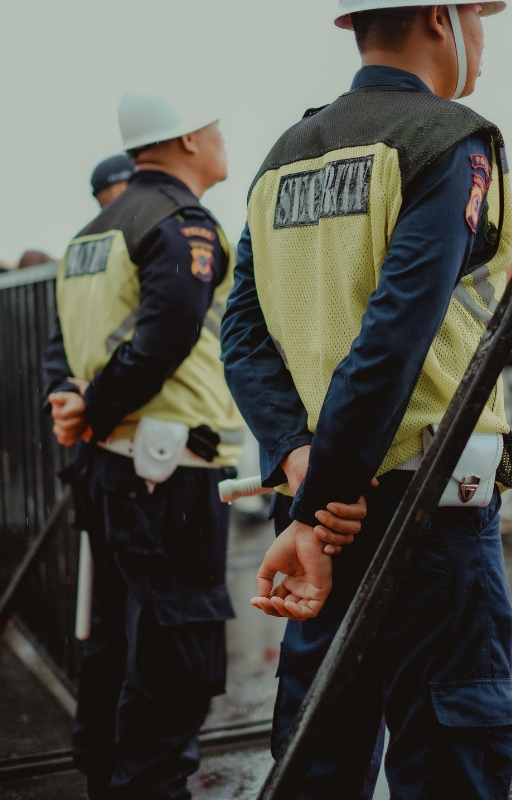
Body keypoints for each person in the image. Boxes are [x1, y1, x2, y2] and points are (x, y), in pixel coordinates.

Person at [221, 2, 512, 798]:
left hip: (321, 514)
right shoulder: (452, 141)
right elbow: (392, 343)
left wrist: (300, 466)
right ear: (438, 19)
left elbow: (242, 333)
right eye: (478, 18)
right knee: (453, 764)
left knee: (317, 760)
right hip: (429, 520)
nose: (482, 40)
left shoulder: (282, 156)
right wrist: (322, 504)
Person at [44, 90, 245, 800]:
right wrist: (96, 409)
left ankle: (108, 780)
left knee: (116, 645)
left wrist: (81, 407)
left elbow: (64, 346)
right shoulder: (180, 221)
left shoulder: (91, 234)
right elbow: (167, 331)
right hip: (169, 473)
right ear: (188, 138)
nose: (224, 138)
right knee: (174, 660)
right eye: (216, 126)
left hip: (110, 470)